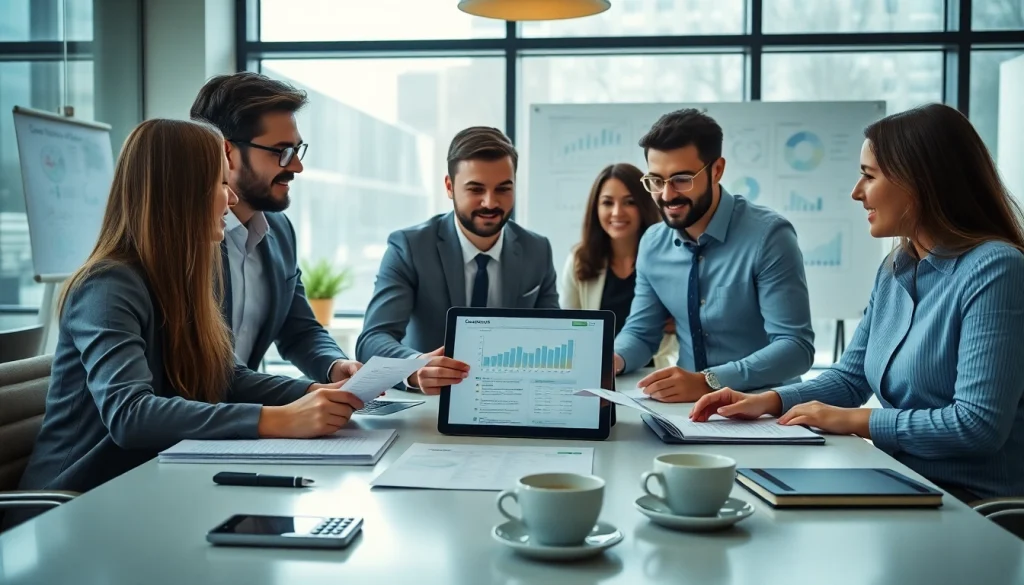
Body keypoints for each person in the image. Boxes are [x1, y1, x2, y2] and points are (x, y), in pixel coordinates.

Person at [14, 119, 365, 505]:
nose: (232, 199)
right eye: (221, 184)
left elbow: (222, 375)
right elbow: (130, 415)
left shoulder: (181, 277)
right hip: (69, 504)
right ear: (180, 194)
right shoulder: (106, 285)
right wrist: (278, 419)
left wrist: (314, 393)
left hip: (143, 487)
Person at [690, 103, 1024, 501]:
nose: (856, 192)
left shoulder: (996, 269)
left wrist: (853, 420)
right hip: (901, 480)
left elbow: (976, 426)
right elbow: (851, 379)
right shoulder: (895, 269)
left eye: (869, 175)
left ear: (919, 182)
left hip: (973, 504)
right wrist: (769, 401)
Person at [613, 109, 814, 403]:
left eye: (681, 179)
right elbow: (641, 333)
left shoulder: (769, 236)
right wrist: (613, 359)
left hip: (762, 407)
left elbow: (795, 348)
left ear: (717, 170)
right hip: (685, 409)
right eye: (656, 180)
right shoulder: (653, 244)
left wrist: (710, 381)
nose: (667, 195)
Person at [356, 126, 560, 395]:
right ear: (450, 187)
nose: (490, 203)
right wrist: (416, 367)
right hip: (432, 401)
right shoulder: (410, 247)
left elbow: (554, 335)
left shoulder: (537, 250)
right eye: (476, 189)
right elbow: (372, 340)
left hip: (510, 399)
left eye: (503, 189)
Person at [190, 72, 361, 385]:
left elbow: (298, 329)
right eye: (282, 151)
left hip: (250, 410)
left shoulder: (279, 231)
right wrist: (305, 395)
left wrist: (336, 366)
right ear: (226, 153)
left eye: (297, 150)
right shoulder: (184, 238)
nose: (297, 166)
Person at [560, 163, 678, 368]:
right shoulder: (579, 259)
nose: (617, 212)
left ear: (644, 206)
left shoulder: (671, 258)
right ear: (596, 208)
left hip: (658, 372)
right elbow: (568, 331)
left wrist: (684, 322)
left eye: (629, 202)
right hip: (601, 371)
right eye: (607, 202)